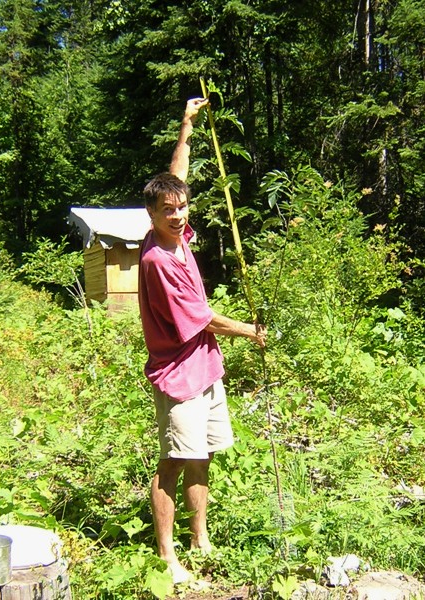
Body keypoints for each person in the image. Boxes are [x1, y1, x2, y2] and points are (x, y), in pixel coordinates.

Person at [138, 97, 267, 584]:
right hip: (179, 376)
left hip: (205, 368)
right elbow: (205, 320)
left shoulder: (175, 234)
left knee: (202, 455)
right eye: (167, 211)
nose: (177, 215)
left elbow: (176, 177)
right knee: (174, 461)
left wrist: (187, 127)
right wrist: (250, 331)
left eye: (182, 207)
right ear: (151, 215)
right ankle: (167, 557)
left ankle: (200, 538)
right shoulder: (158, 261)